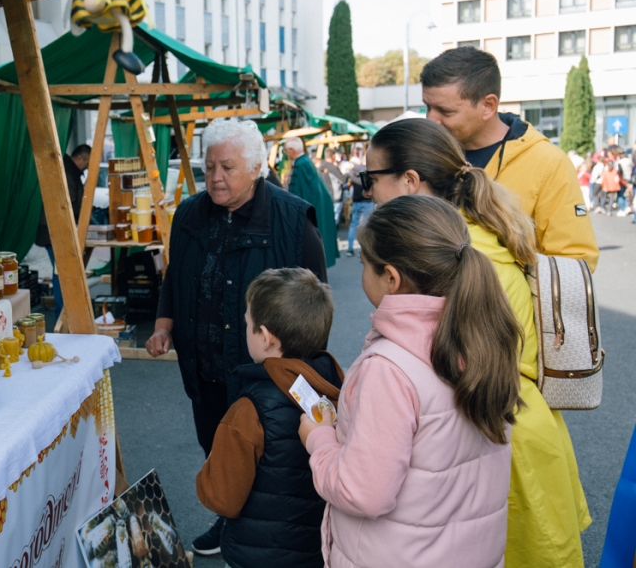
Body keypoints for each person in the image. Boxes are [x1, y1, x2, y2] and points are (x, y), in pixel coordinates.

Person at [362, 118, 590, 568]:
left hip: (495, 439)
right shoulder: (470, 234)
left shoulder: (454, 253)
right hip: (511, 428)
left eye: (372, 178)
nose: (368, 192)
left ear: (410, 181)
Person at [299, 195, 518, 568]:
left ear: (391, 278)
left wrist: (318, 438)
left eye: (366, 265)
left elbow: (363, 492)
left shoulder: (390, 368)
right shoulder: (484, 337)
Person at [145, 120, 327, 556]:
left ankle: (279, 540)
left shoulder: (290, 218)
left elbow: (316, 303)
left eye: (227, 167)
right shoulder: (190, 212)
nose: (215, 177)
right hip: (205, 367)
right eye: (209, 167)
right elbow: (175, 276)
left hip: (268, 378)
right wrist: (164, 325)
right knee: (219, 449)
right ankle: (229, 521)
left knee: (274, 465)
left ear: (257, 168)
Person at [196, 267, 342, 567]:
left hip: (258, 555)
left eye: (247, 323)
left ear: (264, 337)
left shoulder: (249, 410)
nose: (245, 328)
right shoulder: (335, 388)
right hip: (319, 550)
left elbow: (220, 497)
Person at [421, 46, 598, 269]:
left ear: (488, 106)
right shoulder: (426, 152)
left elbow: (573, 261)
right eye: (427, 107)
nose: (430, 119)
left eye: (445, 112)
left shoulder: (548, 163)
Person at [35, 143, 90, 324]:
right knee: (61, 271)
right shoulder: (67, 172)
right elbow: (68, 205)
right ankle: (62, 314)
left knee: (61, 270)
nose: (88, 167)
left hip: (57, 229)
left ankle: (64, 312)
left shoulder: (68, 169)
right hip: (56, 230)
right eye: (88, 162)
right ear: (80, 158)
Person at [284, 138, 338, 267]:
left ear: (292, 150)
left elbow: (296, 192)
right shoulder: (305, 161)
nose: (286, 153)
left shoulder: (301, 164)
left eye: (286, 150)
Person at [345, 157, 372, 257]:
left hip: (356, 201)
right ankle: (363, 249)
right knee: (365, 226)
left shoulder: (352, 173)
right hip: (368, 201)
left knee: (353, 225)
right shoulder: (368, 172)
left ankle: (350, 249)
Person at [317, 151, 347, 225]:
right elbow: (342, 180)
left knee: (325, 222)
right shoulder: (332, 167)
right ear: (333, 156)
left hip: (322, 197)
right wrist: (347, 173)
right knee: (333, 223)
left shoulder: (320, 167)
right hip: (334, 197)